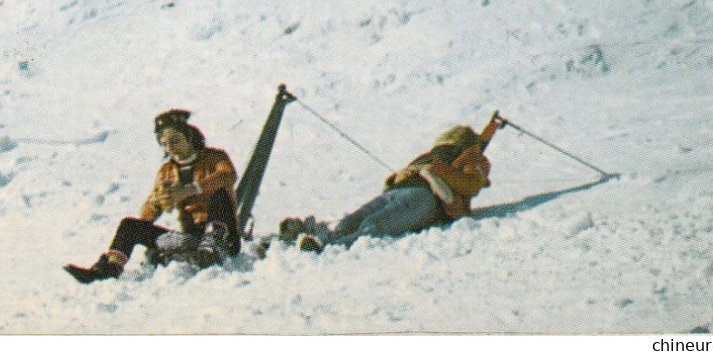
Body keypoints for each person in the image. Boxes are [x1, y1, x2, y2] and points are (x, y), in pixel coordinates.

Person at [64, 109, 241, 283]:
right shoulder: (167, 171)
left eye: (176, 141)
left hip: (224, 238)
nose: (172, 148)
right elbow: (147, 215)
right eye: (165, 144)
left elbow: (227, 176)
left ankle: (211, 248)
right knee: (129, 225)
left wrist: (189, 190)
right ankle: (111, 268)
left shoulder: (214, 157)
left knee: (219, 195)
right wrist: (157, 203)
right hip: (191, 238)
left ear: (190, 137)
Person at [291, 113, 505, 253]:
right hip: (397, 191)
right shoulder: (428, 156)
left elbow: (470, 184)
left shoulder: (471, 158)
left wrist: (436, 170)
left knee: (376, 223)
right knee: (353, 220)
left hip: (426, 196)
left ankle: (334, 248)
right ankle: (324, 243)